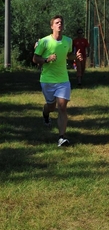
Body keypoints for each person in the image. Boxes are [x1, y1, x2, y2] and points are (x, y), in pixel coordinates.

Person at [33, 15, 83, 147]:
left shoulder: (68, 40)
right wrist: (46, 60)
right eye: (57, 22)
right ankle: (45, 113)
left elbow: (68, 56)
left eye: (61, 22)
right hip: (47, 80)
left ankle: (62, 137)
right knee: (51, 107)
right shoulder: (44, 41)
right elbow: (35, 58)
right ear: (52, 26)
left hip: (63, 80)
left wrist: (76, 57)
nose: (60, 24)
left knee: (62, 107)